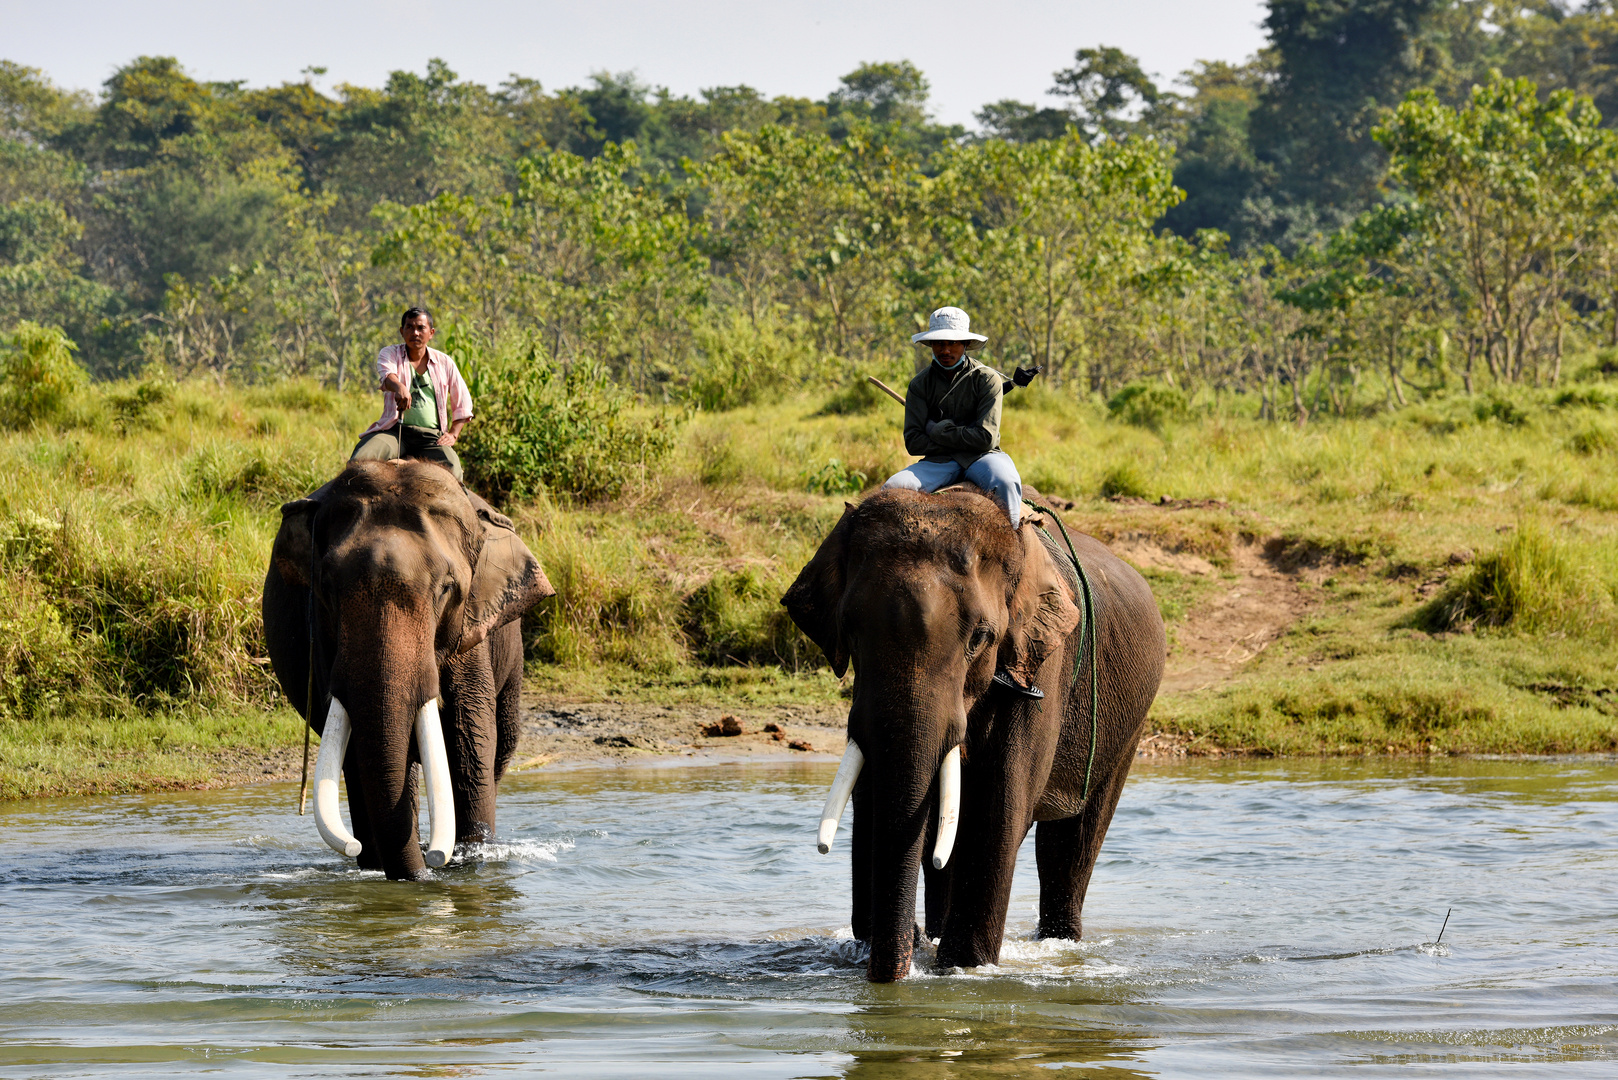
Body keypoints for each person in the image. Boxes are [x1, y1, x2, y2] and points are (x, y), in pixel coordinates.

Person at [882, 306, 1024, 527]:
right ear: (930, 345)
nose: (945, 350)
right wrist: (962, 439)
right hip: (940, 461)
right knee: (893, 488)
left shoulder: (987, 379)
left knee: (1006, 482)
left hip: (983, 457)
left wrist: (938, 430)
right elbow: (913, 442)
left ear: (965, 344)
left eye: (953, 343)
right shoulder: (919, 385)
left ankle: (1016, 542)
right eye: (939, 343)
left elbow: (985, 438)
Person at [350, 307, 473, 481]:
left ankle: (467, 507)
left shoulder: (445, 362)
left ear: (431, 333)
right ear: (402, 331)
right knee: (360, 459)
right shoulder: (390, 353)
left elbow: (463, 402)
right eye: (409, 327)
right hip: (394, 431)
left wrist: (453, 433)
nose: (415, 333)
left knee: (453, 467)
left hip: (431, 438)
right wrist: (398, 386)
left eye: (420, 328)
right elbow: (387, 375)